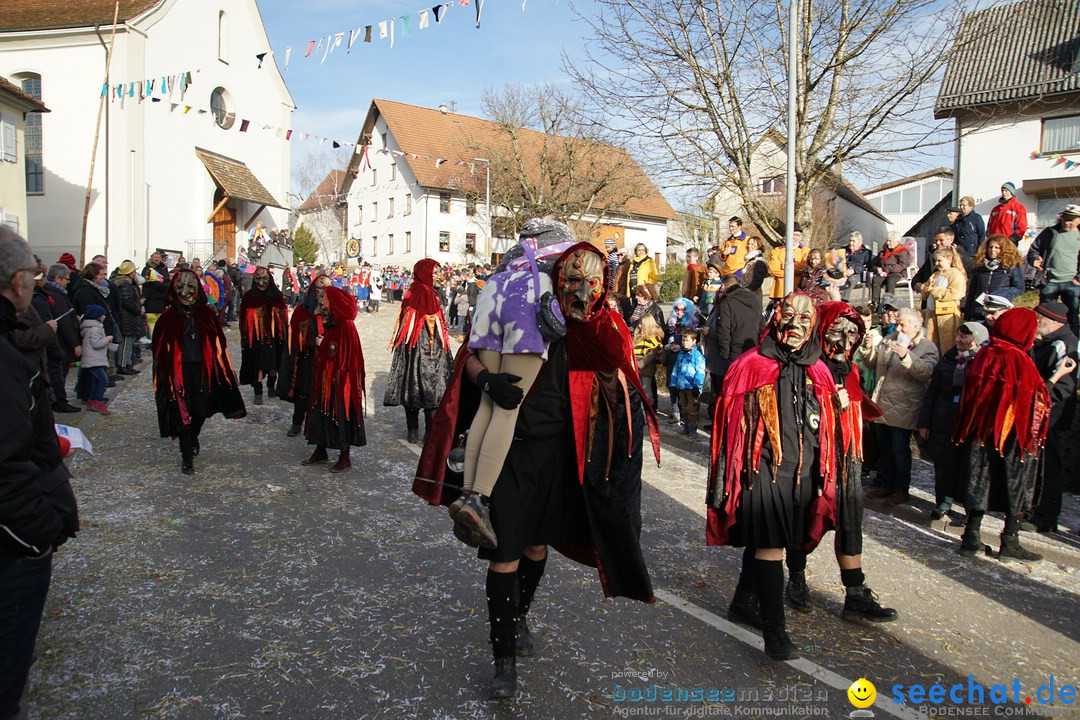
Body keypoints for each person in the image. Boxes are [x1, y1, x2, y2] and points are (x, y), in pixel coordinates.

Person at [412, 237, 659, 699]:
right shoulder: (519, 303)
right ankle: (502, 657)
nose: (578, 290)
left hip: (560, 451)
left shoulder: (592, 324)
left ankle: (519, 614)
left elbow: (615, 359)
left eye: (589, 283)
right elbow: (471, 357)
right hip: (512, 453)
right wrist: (486, 379)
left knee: (537, 548)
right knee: (504, 551)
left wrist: (591, 316)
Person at [708, 292, 839, 660]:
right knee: (771, 544)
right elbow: (730, 427)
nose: (795, 324)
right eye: (789, 315)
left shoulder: (820, 369)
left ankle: (742, 602)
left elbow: (826, 427)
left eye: (804, 318)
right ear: (776, 318)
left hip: (802, 471)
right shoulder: (752, 364)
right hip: (761, 467)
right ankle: (775, 633)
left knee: (775, 540)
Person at [452, 222, 584, 549]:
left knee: (487, 403)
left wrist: (483, 377)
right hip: (529, 297)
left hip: (494, 291)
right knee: (508, 409)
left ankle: (469, 492)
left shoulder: (510, 257)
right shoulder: (561, 254)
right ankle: (480, 498)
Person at [0, 227, 79, 720]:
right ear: (17, 282)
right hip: (12, 550)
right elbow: (6, 465)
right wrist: (39, 533)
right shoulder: (5, 362)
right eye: (31, 273)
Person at [782, 302, 897, 623]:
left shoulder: (853, 370)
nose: (845, 341)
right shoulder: (807, 366)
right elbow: (791, 413)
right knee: (805, 517)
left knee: (850, 520)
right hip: (812, 457)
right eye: (837, 332)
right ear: (822, 331)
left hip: (847, 459)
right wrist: (825, 404)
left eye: (853, 333)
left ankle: (855, 593)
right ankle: (797, 578)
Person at [954, 308, 1067, 562]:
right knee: (1015, 483)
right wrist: (1058, 376)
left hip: (980, 432)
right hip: (1013, 436)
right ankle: (1010, 541)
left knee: (980, 479)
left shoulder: (985, 353)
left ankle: (971, 536)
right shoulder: (1018, 360)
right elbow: (1036, 399)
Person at [152, 270, 245, 473]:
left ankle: (193, 436)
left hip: (203, 372)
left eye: (190, 288)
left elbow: (219, 343)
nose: (185, 292)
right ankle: (187, 458)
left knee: (200, 411)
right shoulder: (168, 318)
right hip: (179, 375)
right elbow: (158, 350)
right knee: (183, 415)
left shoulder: (206, 315)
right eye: (180, 288)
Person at [865, 307, 939, 506]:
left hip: (904, 405)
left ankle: (900, 489)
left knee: (899, 449)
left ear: (916, 326)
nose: (898, 327)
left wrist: (907, 357)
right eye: (897, 324)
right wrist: (869, 348)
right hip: (883, 402)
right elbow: (873, 364)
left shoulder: (927, 347)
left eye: (902, 324)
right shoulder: (890, 339)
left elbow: (926, 372)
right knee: (885, 449)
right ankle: (886, 484)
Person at [917, 322, 988, 520]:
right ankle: (943, 503)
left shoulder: (983, 361)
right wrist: (925, 422)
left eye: (964, 337)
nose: (959, 340)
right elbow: (932, 392)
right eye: (958, 336)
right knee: (942, 464)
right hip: (942, 419)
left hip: (968, 422)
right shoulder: (948, 358)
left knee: (966, 467)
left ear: (976, 339)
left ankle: (968, 510)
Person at [384, 259, 454, 445]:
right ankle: (423, 434)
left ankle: (415, 432)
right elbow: (429, 312)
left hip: (415, 351)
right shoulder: (423, 292)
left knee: (414, 389)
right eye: (435, 272)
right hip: (425, 351)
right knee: (431, 390)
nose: (440, 276)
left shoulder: (415, 291)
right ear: (425, 273)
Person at [1024, 301, 1078, 533]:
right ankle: (1033, 508)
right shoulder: (1049, 341)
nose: (1036, 324)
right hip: (1040, 411)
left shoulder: (1065, 344)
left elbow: (1064, 386)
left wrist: (1040, 398)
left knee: (1048, 465)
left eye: (1040, 319)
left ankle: (1045, 515)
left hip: (1051, 415)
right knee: (1036, 463)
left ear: (1054, 322)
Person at [301, 285, 367, 474]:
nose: (322, 302)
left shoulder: (345, 325)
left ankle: (344, 456)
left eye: (326, 299)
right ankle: (320, 449)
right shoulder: (333, 322)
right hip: (325, 379)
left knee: (339, 414)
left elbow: (340, 353)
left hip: (339, 382)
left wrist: (323, 345)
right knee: (320, 412)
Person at [280, 275, 331, 438]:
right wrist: (308, 341)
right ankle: (297, 423)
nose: (322, 295)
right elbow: (294, 335)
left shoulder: (333, 311)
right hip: (307, 358)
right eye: (319, 291)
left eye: (326, 291)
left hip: (327, 360)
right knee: (303, 392)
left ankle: (320, 426)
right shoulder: (302, 311)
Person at [703, 275, 759, 403]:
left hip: (732, 353)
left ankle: (726, 422)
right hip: (751, 349)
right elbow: (760, 325)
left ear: (724, 285)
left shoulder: (727, 301)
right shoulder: (754, 299)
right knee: (746, 390)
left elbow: (724, 330)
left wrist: (725, 353)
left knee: (728, 391)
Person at [1027, 204, 1080, 336]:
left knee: (1072, 316)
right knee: (1045, 315)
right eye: (1065, 218)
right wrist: (1034, 260)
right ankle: (1046, 342)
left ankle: (1072, 344)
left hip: (1072, 283)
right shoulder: (1050, 233)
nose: (1067, 222)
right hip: (1050, 280)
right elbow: (1034, 249)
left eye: (1071, 219)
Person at [238, 266, 288, 405]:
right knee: (258, 364)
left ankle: (271, 386)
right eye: (258, 279)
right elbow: (243, 319)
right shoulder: (249, 297)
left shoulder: (277, 295)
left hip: (274, 337)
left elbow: (283, 316)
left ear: (269, 279)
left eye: (264, 278)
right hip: (256, 338)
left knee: (273, 364)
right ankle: (258, 392)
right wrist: (245, 336)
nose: (261, 282)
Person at [42, 264, 82, 414]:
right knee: (58, 373)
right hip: (60, 342)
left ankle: (57, 400)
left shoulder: (54, 293)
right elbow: (64, 322)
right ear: (57, 279)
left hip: (58, 340)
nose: (68, 282)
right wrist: (75, 344)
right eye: (66, 279)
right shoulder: (55, 295)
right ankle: (59, 402)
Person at [964, 235, 1025, 321]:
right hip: (978, 311)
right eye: (990, 247)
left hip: (998, 310)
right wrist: (967, 314)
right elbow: (972, 292)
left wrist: (1001, 293)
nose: (993, 250)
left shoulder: (1011, 267)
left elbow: (1019, 288)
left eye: (997, 247)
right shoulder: (980, 267)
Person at [921, 247, 967, 354]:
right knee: (931, 342)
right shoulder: (935, 275)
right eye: (935, 261)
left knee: (947, 344)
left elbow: (955, 293)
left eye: (939, 260)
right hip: (932, 314)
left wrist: (935, 291)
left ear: (949, 260)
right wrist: (927, 287)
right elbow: (925, 294)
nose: (936, 263)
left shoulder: (955, 274)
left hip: (947, 315)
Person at [664, 297, 702, 426]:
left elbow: (696, 342)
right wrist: (669, 346)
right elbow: (666, 337)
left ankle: (687, 418)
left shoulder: (693, 323)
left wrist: (682, 346)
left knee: (686, 391)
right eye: (677, 309)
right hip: (673, 357)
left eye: (682, 310)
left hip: (687, 359)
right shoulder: (672, 322)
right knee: (672, 384)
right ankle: (675, 412)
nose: (679, 312)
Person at [77, 305, 116, 415]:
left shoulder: (93, 328)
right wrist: (107, 339)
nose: (104, 317)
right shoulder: (95, 329)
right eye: (102, 315)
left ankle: (92, 400)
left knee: (96, 380)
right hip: (94, 360)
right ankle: (98, 401)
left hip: (94, 359)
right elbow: (96, 344)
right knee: (103, 380)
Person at [670, 328, 706, 438]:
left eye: (688, 341)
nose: (685, 343)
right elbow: (676, 369)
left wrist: (697, 386)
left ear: (694, 341)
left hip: (692, 388)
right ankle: (685, 428)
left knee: (692, 409)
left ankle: (693, 430)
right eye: (683, 341)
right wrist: (673, 384)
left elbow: (700, 372)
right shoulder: (681, 355)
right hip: (681, 386)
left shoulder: (697, 356)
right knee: (684, 408)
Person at [113, 260, 144, 375]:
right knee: (125, 342)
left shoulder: (127, 283)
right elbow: (127, 301)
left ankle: (127, 363)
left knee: (129, 342)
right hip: (127, 316)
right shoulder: (125, 284)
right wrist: (138, 309)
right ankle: (122, 365)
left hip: (129, 316)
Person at [767, 224, 809, 300]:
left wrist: (783, 266)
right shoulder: (776, 251)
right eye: (792, 234)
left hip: (799, 291)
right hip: (780, 291)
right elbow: (774, 270)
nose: (794, 237)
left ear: (801, 237)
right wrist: (795, 270)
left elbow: (803, 268)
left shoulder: (806, 251)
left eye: (797, 235)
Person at [633, 314, 665, 410]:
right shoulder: (638, 336)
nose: (639, 326)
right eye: (639, 324)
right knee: (638, 389)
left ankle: (649, 409)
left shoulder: (654, 339)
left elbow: (652, 354)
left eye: (641, 324)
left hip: (646, 367)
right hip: (636, 365)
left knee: (647, 390)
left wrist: (641, 364)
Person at [871, 232, 911, 304]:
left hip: (897, 273)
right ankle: (875, 303)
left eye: (890, 241)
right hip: (883, 273)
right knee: (876, 279)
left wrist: (886, 270)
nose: (887, 243)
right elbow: (874, 263)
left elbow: (902, 265)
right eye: (887, 240)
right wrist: (877, 269)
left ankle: (888, 303)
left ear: (897, 242)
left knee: (890, 280)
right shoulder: (883, 252)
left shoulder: (902, 252)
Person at [736, 235, 769, 305]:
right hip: (745, 295)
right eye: (748, 244)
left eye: (752, 244)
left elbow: (757, 281)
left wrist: (746, 290)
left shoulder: (759, 262)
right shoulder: (749, 261)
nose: (749, 246)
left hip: (753, 296)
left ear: (759, 246)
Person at [841, 232, 873, 302]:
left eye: (853, 241)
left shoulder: (866, 252)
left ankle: (843, 301)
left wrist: (854, 270)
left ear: (860, 243)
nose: (851, 243)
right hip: (843, 271)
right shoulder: (843, 250)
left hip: (858, 274)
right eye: (850, 240)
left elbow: (867, 266)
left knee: (851, 280)